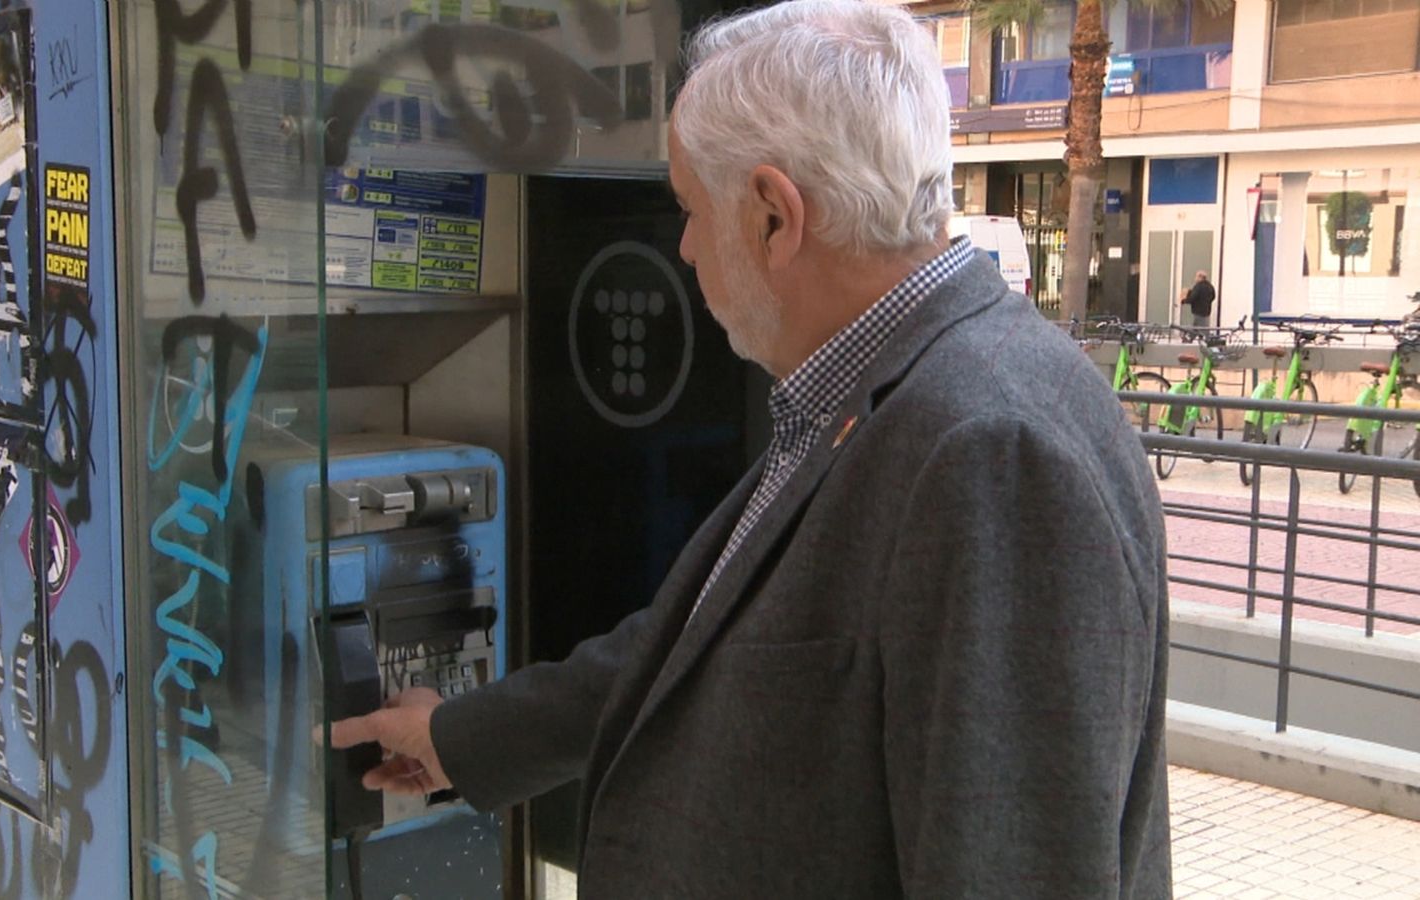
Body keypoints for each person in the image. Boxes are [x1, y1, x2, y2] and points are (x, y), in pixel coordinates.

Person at [324, 2, 1172, 896]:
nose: (684, 246)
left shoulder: (988, 451)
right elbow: (696, 650)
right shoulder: (873, 392)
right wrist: (461, 737)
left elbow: (1011, 866)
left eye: (690, 209)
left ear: (774, 216)